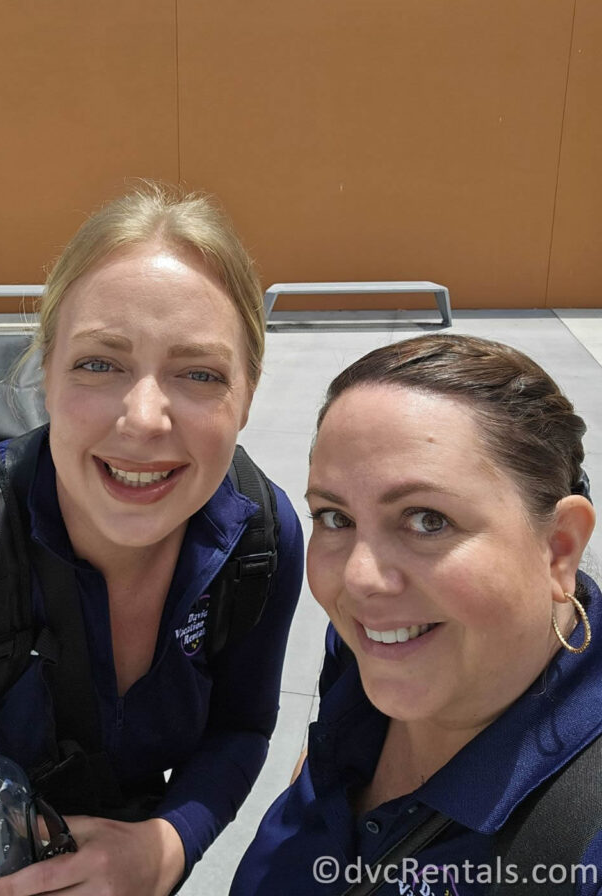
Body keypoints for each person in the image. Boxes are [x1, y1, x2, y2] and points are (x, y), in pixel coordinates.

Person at [0, 183, 304, 896]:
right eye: (99, 363)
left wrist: (167, 845)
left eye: (200, 373)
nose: (145, 418)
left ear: (247, 391)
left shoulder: (261, 541)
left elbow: (240, 731)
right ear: (44, 374)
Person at [231, 333, 601, 896]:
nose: (358, 579)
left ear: (559, 548)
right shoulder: (373, 655)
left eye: (427, 519)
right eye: (334, 517)